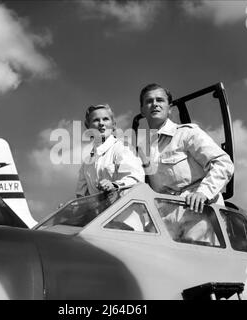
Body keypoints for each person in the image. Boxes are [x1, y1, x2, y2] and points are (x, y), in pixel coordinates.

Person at [138, 83, 234, 243]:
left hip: (199, 212)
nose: (154, 104)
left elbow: (223, 163)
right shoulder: (143, 149)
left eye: (160, 100)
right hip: (166, 219)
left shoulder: (187, 133)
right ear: (142, 110)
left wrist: (203, 193)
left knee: (196, 258)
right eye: (149, 101)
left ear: (170, 108)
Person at [76, 104, 144, 197]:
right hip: (104, 211)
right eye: (96, 120)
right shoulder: (86, 164)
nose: (101, 123)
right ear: (88, 127)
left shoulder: (123, 148)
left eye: (105, 119)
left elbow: (136, 180)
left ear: (114, 125)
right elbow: (81, 196)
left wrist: (114, 185)